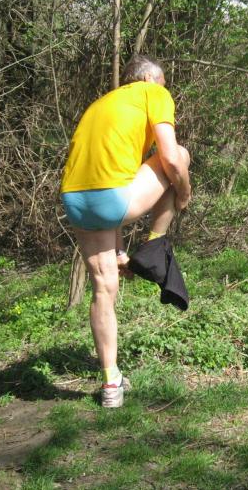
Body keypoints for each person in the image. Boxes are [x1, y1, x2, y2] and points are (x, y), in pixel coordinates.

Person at [60, 54, 191, 408]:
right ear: (149, 80)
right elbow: (170, 158)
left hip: (75, 200)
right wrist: (184, 193)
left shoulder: (104, 104)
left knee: (104, 288)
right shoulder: (153, 93)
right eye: (163, 84)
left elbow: (108, 175)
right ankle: (154, 246)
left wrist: (119, 251)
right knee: (181, 155)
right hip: (111, 199)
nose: (165, 91)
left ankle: (111, 383)